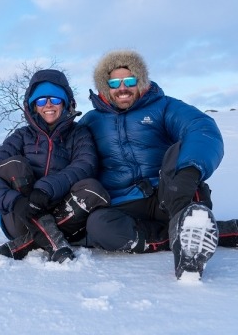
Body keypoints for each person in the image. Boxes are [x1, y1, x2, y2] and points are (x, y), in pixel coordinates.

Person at [79, 49, 238, 279]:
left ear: (140, 81)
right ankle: (188, 233)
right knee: (98, 226)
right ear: (106, 86)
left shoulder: (163, 107)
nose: (123, 88)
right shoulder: (91, 121)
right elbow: (72, 157)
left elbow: (201, 128)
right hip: (125, 203)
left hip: (171, 193)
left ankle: (188, 254)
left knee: (179, 157)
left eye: (130, 80)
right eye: (115, 82)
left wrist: (188, 171)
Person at [0, 69, 110, 263]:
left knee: (93, 189)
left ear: (65, 103)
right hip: (21, 217)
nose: (48, 105)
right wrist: (16, 202)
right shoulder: (20, 136)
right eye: (41, 101)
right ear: (34, 106)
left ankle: (26, 244)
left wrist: (46, 189)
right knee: (12, 166)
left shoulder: (79, 134)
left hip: (66, 215)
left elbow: (85, 165)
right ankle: (52, 241)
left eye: (55, 99)